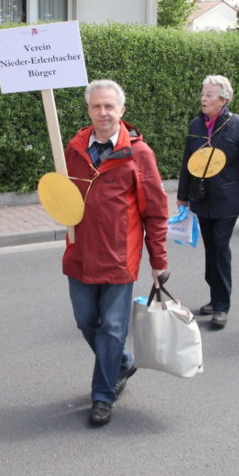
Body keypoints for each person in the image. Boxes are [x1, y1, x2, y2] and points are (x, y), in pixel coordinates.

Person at [63, 79, 168, 426]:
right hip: (79, 253)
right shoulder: (73, 149)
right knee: (85, 322)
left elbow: (155, 209)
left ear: (121, 110)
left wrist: (158, 261)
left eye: (109, 106)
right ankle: (120, 362)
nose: (103, 112)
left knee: (111, 326)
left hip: (119, 257)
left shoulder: (139, 154)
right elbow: (63, 198)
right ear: (88, 110)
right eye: (96, 106)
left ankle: (103, 395)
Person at [177, 75, 239, 330]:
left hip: (228, 199)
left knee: (220, 248)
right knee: (211, 249)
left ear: (223, 99)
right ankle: (215, 297)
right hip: (202, 198)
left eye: (210, 94)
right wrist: (182, 196)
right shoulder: (196, 125)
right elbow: (187, 164)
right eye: (203, 93)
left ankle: (221, 305)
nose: (203, 98)